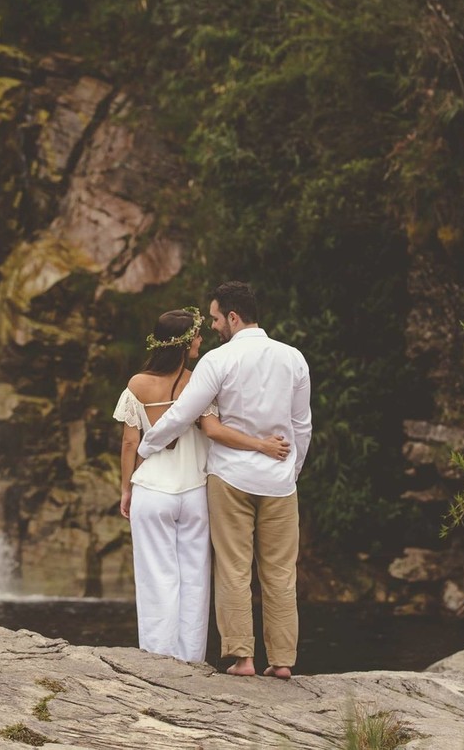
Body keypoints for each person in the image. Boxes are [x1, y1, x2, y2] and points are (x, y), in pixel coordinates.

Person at [136, 282, 311, 679]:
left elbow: (182, 414)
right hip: (280, 483)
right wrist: (291, 472)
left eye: (215, 318)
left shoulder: (219, 360)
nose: (213, 325)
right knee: (281, 571)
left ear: (233, 317)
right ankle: (282, 662)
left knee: (233, 567)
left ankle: (243, 659)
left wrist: (147, 448)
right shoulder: (293, 358)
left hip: (230, 478)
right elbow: (302, 426)